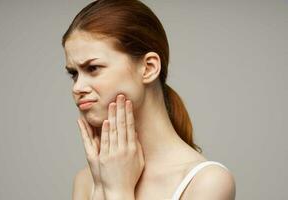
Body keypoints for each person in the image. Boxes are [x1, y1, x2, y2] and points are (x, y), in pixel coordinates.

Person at [62, 0, 236, 199]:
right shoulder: (86, 181)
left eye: (93, 68)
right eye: (73, 74)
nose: (77, 88)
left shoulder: (206, 182)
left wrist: (118, 191)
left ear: (149, 68)